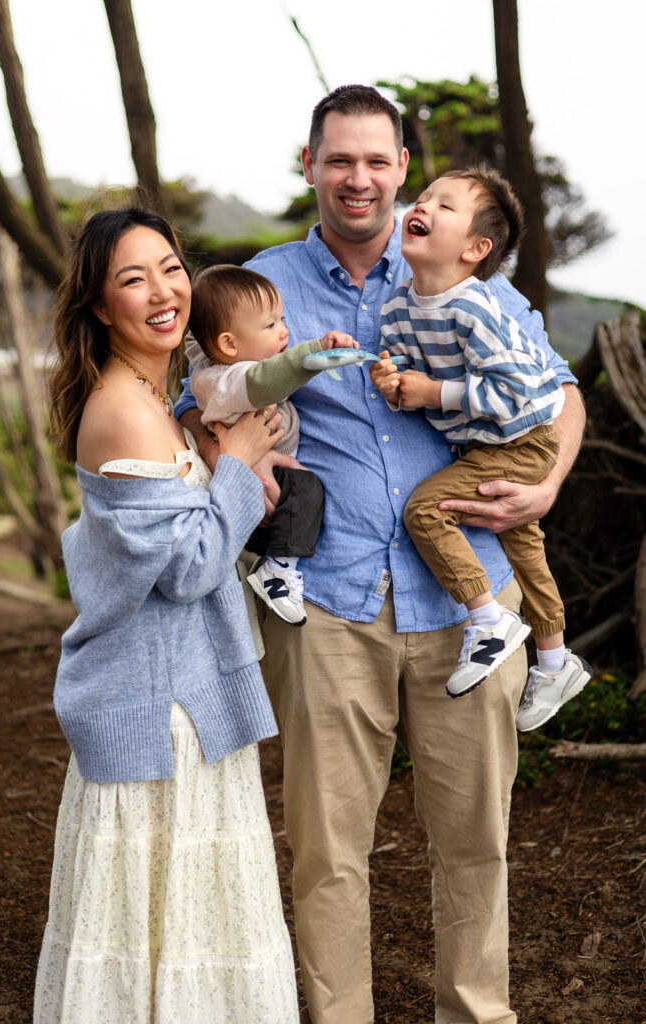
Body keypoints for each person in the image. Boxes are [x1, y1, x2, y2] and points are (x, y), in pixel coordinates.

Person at [176, 85, 586, 1024]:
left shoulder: (461, 273)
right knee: (326, 852)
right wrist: (237, 463)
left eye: (376, 160)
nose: (357, 178)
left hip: (469, 597)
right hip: (323, 606)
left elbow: (558, 390)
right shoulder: (258, 283)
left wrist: (549, 481)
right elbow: (197, 404)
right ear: (311, 165)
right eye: (338, 160)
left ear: (402, 169)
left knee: (476, 842)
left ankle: (476, 1013)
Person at [33, 207, 299, 1024]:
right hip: (159, 714)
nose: (163, 291)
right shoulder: (124, 410)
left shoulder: (159, 399)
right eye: (132, 278)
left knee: (189, 929)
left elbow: (187, 542)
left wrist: (230, 470)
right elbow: (187, 569)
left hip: (182, 697)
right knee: (164, 930)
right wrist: (239, 467)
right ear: (100, 306)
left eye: (171, 267)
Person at [369, 166, 591, 726]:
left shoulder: (475, 307)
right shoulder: (397, 307)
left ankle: (488, 620)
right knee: (525, 549)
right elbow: (408, 381)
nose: (422, 206)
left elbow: (515, 390)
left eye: (445, 206)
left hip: (524, 438)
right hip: (485, 445)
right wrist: (395, 384)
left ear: (475, 248)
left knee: (426, 510)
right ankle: (555, 659)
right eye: (422, 198)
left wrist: (430, 391)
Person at [186, 263, 357, 626]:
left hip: (265, 476)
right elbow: (268, 381)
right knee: (307, 489)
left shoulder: (225, 365)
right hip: (256, 479)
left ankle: (272, 563)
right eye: (271, 325)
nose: (285, 331)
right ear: (228, 344)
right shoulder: (228, 379)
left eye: (282, 320)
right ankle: (279, 570)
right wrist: (316, 352)